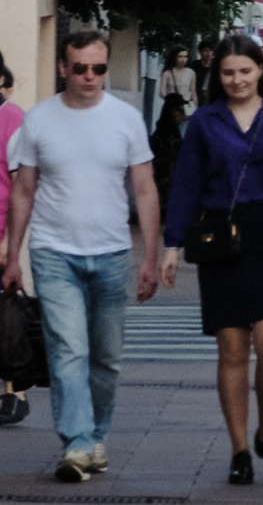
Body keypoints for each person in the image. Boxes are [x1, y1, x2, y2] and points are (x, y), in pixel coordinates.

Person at [2, 28, 160, 483]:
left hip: (111, 252)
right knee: (68, 349)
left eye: (99, 69)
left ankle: (96, 436)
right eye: (80, 69)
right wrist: (14, 255)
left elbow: (145, 189)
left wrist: (150, 256)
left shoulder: (125, 119)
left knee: (106, 356)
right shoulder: (40, 120)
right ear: (62, 69)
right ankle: (76, 442)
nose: (90, 77)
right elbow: (24, 191)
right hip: (54, 252)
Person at [161, 36, 263, 486]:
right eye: (227, 73)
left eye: (244, 70)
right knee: (232, 347)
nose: (236, 79)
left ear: (260, 69)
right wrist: (170, 244)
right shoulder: (204, 122)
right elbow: (186, 184)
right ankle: (240, 448)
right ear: (216, 76)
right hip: (220, 234)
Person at [0, 60, 25, 428]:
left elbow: (22, 183)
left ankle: (14, 392)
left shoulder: (13, 118)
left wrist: (10, 241)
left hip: (0, 231)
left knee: (8, 318)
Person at [155, 48, 197, 137]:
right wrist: (170, 101)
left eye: (185, 56)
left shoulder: (191, 73)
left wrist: (196, 107)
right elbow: (162, 91)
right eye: (180, 56)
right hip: (172, 108)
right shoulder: (167, 73)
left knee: (184, 133)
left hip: (185, 107)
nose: (183, 59)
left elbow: (193, 92)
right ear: (174, 57)